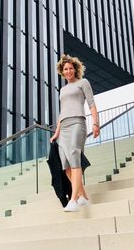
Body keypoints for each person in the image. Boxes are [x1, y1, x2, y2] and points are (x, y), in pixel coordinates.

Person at [50, 54, 100, 212]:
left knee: (74, 156)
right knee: (66, 166)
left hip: (78, 123)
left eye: (71, 68)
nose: (68, 71)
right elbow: (62, 111)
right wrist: (56, 132)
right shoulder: (63, 89)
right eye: (65, 69)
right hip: (64, 126)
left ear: (75, 69)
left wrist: (96, 124)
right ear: (62, 71)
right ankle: (83, 196)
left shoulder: (83, 83)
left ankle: (73, 199)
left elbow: (92, 104)